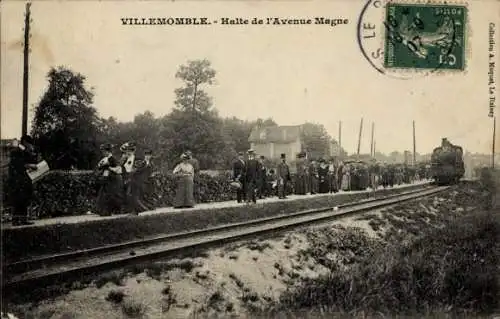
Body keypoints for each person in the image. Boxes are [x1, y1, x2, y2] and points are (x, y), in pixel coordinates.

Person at [7, 135, 38, 226]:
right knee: (18, 200)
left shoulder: (24, 151)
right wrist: (30, 166)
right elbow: (19, 164)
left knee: (24, 199)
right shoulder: (16, 151)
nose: (30, 146)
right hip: (17, 180)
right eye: (29, 144)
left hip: (23, 179)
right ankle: (16, 220)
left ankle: (23, 220)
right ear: (25, 142)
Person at [95, 143, 124, 216]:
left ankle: (107, 211)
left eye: (104, 151)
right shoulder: (105, 159)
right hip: (106, 178)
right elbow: (99, 167)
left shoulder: (112, 159)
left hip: (112, 179)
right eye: (102, 151)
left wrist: (109, 167)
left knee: (109, 195)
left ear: (108, 151)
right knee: (103, 194)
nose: (103, 153)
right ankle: (102, 211)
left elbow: (118, 169)